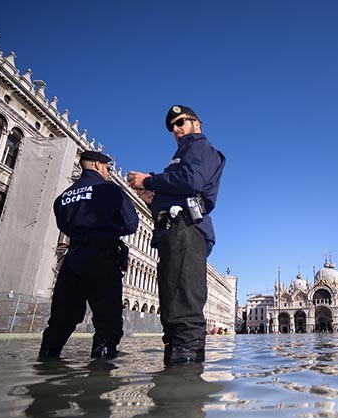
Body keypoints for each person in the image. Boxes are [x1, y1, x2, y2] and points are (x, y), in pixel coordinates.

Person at [127, 104, 225, 365]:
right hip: (173, 232)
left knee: (183, 305)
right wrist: (152, 198)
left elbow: (191, 181)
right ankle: (173, 374)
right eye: (172, 127)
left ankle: (184, 380)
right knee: (171, 308)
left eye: (181, 122)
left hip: (187, 231)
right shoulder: (181, 156)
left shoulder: (199, 147)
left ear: (197, 123)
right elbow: (180, 189)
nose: (176, 129)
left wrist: (148, 181)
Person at [39, 150, 139, 360]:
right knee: (107, 322)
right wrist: (110, 229)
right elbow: (131, 224)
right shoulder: (110, 190)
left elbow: (63, 225)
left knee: (60, 320)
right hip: (102, 258)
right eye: (107, 168)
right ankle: (100, 373)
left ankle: (47, 360)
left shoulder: (62, 198)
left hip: (73, 260)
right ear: (96, 165)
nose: (109, 173)